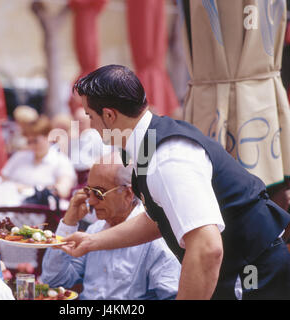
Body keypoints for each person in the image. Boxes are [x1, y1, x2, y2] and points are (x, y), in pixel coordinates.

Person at [60, 64, 290, 300]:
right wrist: (92, 241)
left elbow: (207, 249)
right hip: (239, 269)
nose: (89, 124)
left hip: (252, 275)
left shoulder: (167, 159)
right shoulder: (150, 139)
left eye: (90, 116)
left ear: (109, 115)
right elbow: (158, 217)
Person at [41, 152, 181, 300]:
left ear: (128, 194)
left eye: (99, 193)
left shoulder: (155, 239)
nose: (92, 201)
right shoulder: (94, 230)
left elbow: (171, 296)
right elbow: (54, 281)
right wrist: (69, 222)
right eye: (88, 192)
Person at [1, 114, 77, 199]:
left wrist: (30, 189)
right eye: (29, 142)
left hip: (42, 208)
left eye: (35, 141)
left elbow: (63, 190)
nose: (32, 146)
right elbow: (3, 180)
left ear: (47, 136)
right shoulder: (19, 156)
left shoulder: (61, 161)